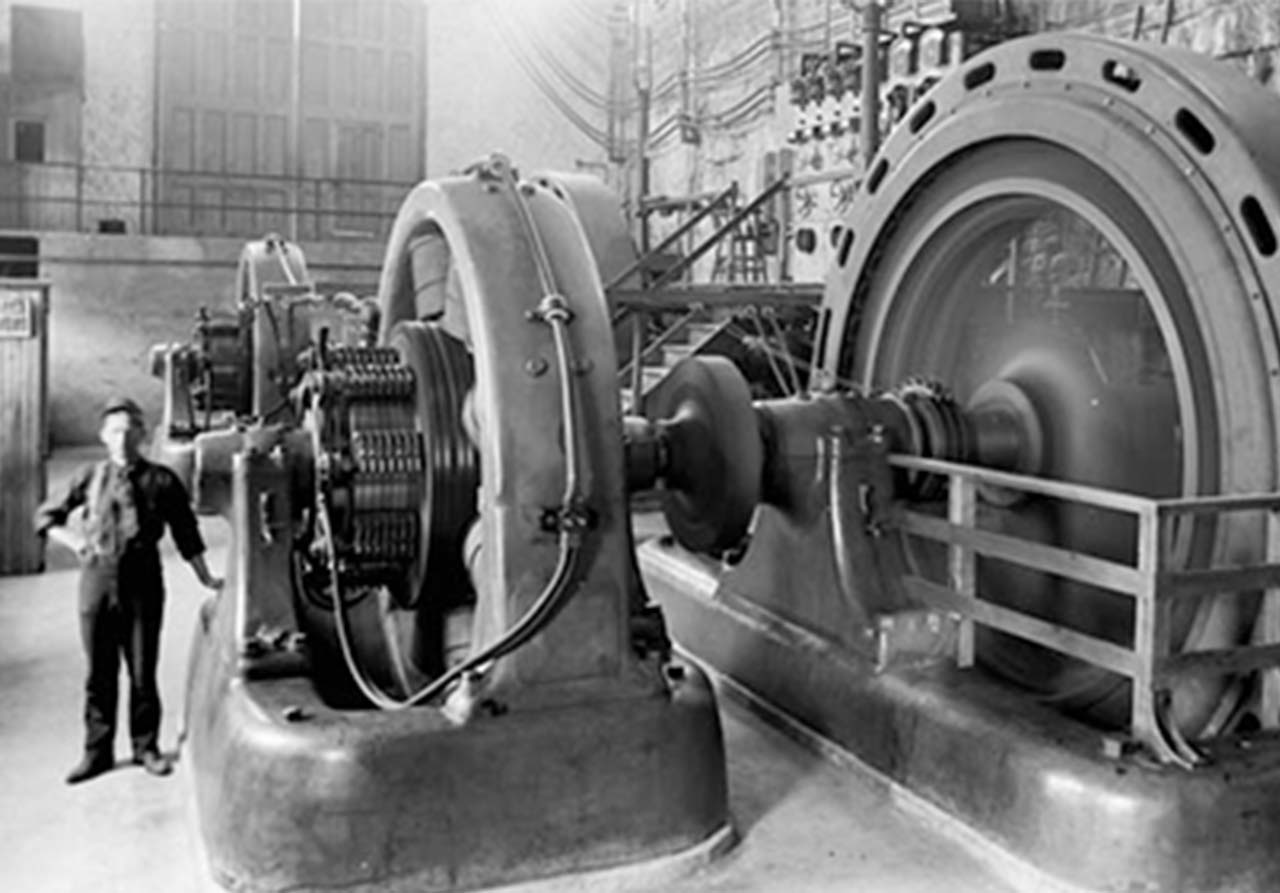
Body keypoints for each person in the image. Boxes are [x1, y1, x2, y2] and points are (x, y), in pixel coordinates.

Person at [34, 396, 223, 785]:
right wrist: (75, 543)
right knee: (99, 672)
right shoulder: (89, 477)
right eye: (115, 431)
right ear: (104, 436)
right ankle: (96, 752)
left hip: (143, 580)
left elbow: (187, 533)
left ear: (142, 435)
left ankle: (146, 747)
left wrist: (205, 576)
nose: (122, 439)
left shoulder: (162, 480)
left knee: (142, 670)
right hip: (97, 579)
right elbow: (46, 517)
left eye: (130, 431)